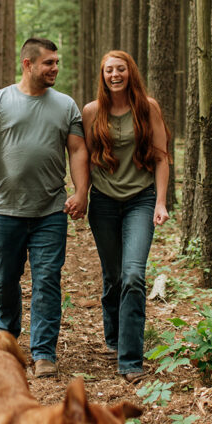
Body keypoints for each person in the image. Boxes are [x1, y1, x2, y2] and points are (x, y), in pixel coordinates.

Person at [0, 37, 89, 378]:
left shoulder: (66, 105)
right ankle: (8, 340)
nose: (55, 68)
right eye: (48, 63)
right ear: (28, 64)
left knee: (47, 280)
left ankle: (44, 353)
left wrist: (82, 192)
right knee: (5, 280)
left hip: (50, 210)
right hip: (5, 211)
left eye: (56, 62)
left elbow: (78, 151)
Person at [82, 50, 170, 382]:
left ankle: (130, 359)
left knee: (133, 276)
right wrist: (80, 194)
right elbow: (85, 158)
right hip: (103, 203)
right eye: (109, 70)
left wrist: (160, 202)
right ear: (103, 75)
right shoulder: (92, 112)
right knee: (113, 276)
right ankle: (114, 337)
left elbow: (161, 157)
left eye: (120, 69)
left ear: (130, 72)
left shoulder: (148, 108)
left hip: (141, 201)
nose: (115, 74)